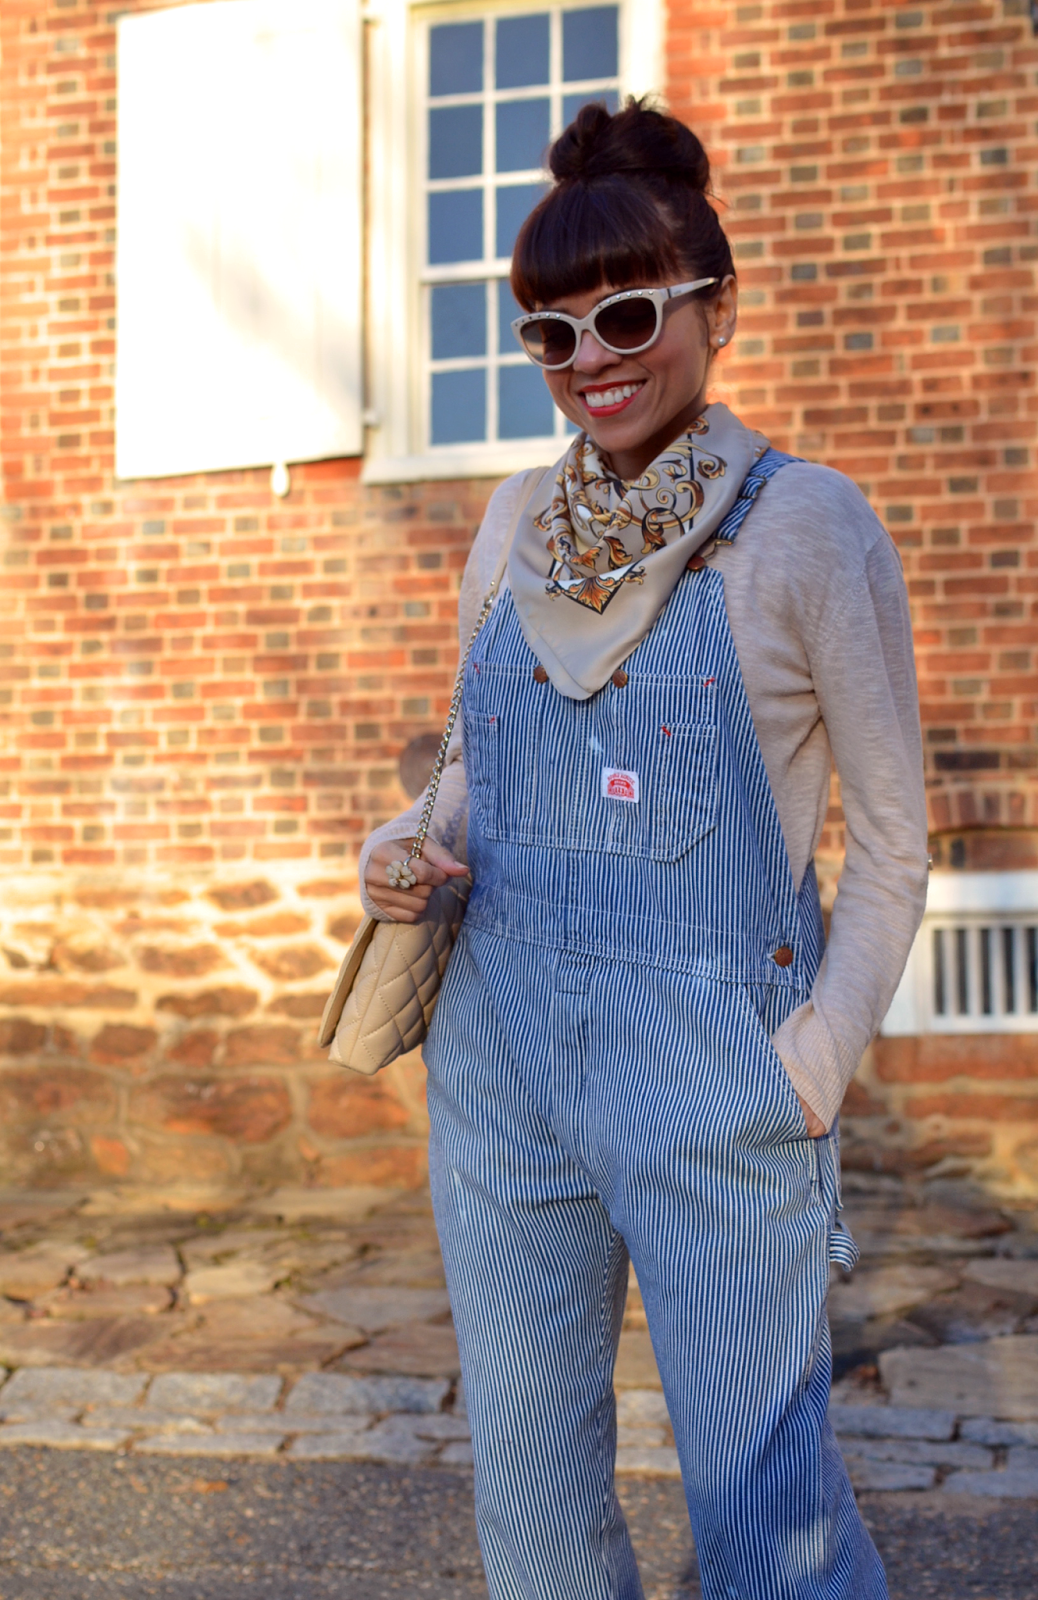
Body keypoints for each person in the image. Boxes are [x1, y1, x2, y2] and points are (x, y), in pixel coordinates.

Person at [359, 99, 927, 1600]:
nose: (591, 362)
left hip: (714, 1077)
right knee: (531, 1507)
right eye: (551, 335)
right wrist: (406, 847)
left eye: (624, 314)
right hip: (499, 1069)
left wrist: (810, 1063)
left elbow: (891, 841)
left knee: (768, 1522)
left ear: (714, 309)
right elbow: (479, 768)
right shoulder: (510, 522)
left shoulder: (805, 528)